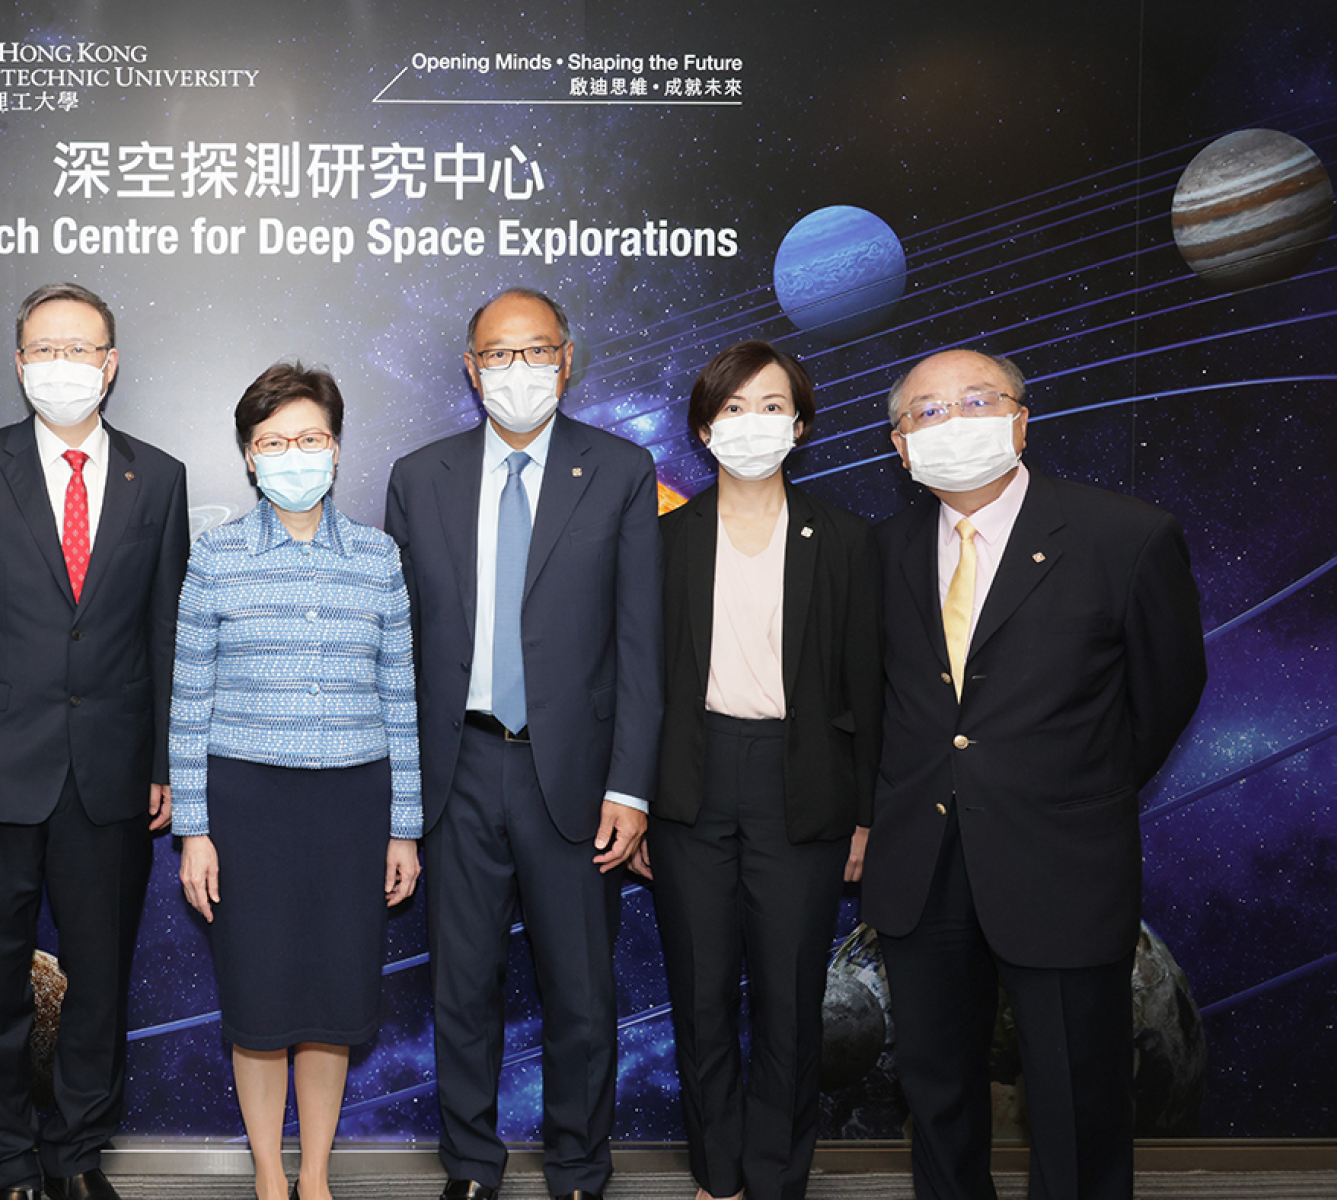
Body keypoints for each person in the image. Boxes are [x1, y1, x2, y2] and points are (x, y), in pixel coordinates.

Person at [866, 349, 1206, 1200]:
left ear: (1021, 417)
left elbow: (1165, 692)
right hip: (922, 864)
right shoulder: (878, 552)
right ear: (901, 446)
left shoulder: (1125, 536)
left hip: (1061, 862)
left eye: (976, 401)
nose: (954, 423)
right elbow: (871, 703)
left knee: (1077, 1099)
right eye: (928, 413)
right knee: (937, 1092)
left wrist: (1077, 789)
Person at [0, 282, 190, 1200]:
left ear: (110, 363)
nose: (62, 365)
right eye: (44, 349)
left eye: (82, 349)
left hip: (111, 776)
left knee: (99, 984)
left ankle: (76, 1154)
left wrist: (163, 765)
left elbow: (165, 636)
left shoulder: (163, 476)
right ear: (19, 361)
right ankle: (10, 1161)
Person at [384, 288, 664, 1200]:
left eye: (535, 351)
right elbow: (399, 645)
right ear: (470, 368)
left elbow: (641, 645)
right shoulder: (419, 476)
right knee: (461, 988)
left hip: (574, 774)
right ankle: (470, 1165)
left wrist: (630, 786)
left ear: (568, 359)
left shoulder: (620, 470)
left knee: (581, 993)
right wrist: (400, 795)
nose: (518, 371)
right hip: (456, 769)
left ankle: (579, 1166)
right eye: (497, 356)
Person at [171, 364, 422, 1200]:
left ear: (338, 449)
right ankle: (270, 1178)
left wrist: (405, 827)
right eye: (274, 442)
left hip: (355, 806)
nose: (293, 454)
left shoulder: (380, 558)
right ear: (249, 458)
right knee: (261, 1002)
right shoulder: (216, 556)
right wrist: (195, 830)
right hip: (248, 809)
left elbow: (400, 696)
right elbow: (189, 700)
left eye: (309, 438)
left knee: (334, 1003)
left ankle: (316, 1174)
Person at [648, 341, 881, 1200]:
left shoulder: (849, 541)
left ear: (802, 423)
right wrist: (635, 801)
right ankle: (718, 1176)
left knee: (788, 1000)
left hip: (804, 788)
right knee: (702, 996)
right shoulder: (664, 542)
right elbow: (636, 685)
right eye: (734, 408)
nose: (754, 423)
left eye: (773, 406)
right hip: (689, 788)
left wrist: (864, 814)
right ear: (705, 430)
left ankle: (779, 1178)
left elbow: (870, 689)